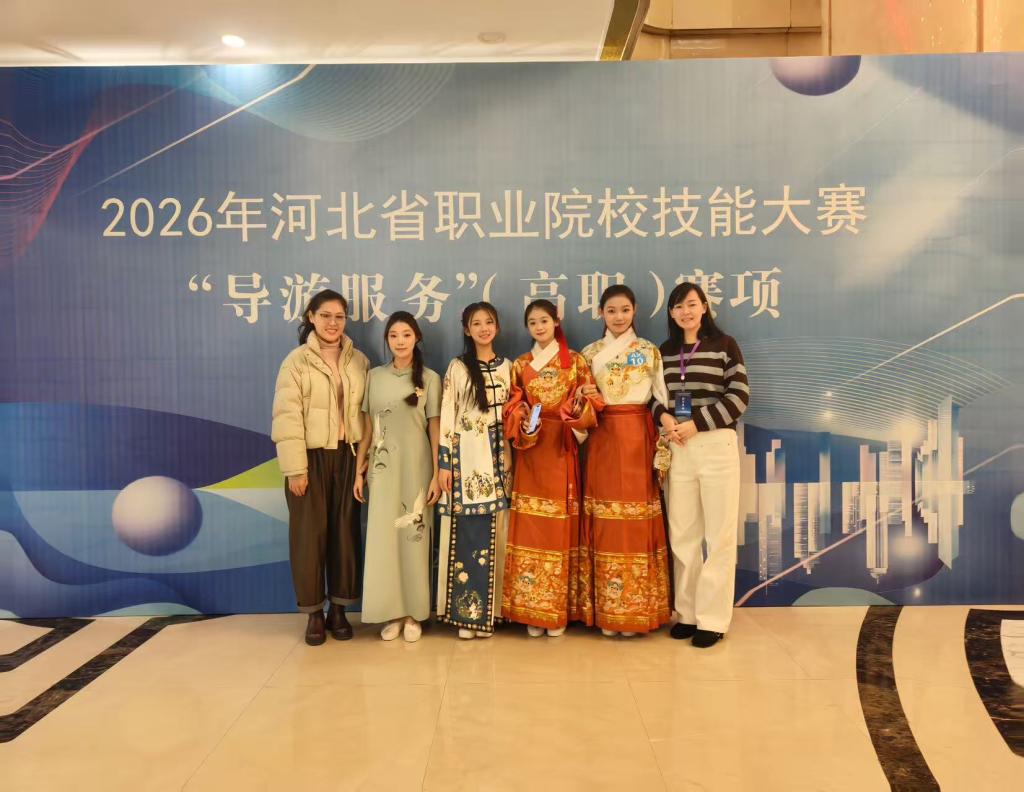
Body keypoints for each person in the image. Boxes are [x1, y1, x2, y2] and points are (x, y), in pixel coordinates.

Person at [271, 289, 369, 645]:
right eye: (325, 315)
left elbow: (367, 414)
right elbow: (286, 417)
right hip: (310, 459)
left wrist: (363, 462)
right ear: (311, 317)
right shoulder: (296, 362)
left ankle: (339, 610)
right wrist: (296, 469)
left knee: (345, 534)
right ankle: (314, 613)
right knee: (308, 537)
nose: (333, 323)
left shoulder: (359, 361)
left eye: (339, 316)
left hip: (347, 455)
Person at [654, 282, 749, 648]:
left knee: (719, 536)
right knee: (682, 534)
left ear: (705, 307)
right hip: (678, 446)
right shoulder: (664, 351)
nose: (686, 312)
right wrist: (664, 418)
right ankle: (688, 613)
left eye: (692, 304)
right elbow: (651, 397)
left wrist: (697, 423)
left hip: (714, 444)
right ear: (671, 313)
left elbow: (739, 396)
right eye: (678, 307)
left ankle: (713, 619)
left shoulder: (724, 345)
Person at [501, 299, 600, 637]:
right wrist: (522, 421)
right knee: (531, 526)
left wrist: (578, 403)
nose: (539, 327)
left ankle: (557, 611)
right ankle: (532, 610)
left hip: (561, 446)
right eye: (532, 322)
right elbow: (513, 403)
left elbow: (592, 399)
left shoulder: (575, 361)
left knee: (559, 528)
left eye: (544, 320)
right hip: (532, 448)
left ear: (556, 321)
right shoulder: (521, 364)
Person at [578, 285, 671, 637]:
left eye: (625, 310)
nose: (618, 317)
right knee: (605, 519)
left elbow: (660, 399)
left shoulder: (648, 351)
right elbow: (577, 403)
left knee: (636, 520)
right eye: (611, 310)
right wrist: (583, 396)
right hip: (602, 437)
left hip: (638, 438)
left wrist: (662, 447)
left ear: (635, 311)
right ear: (601, 313)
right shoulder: (589, 354)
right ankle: (608, 609)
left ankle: (636, 609)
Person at [354, 312, 442, 643]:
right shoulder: (374, 377)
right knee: (384, 542)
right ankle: (391, 612)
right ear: (387, 340)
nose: (400, 341)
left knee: (413, 540)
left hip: (417, 469)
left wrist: (437, 473)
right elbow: (367, 429)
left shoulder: (430, 379)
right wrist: (359, 470)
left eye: (406, 334)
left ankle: (414, 614)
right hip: (382, 471)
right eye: (394, 335)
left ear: (417, 337)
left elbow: (435, 429)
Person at [436, 302, 513, 639]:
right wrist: (444, 462)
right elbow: (447, 414)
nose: (483, 328)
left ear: (497, 327)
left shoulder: (508, 367)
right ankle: (466, 616)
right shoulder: (457, 367)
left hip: (501, 457)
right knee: (468, 533)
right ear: (467, 330)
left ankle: (492, 614)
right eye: (476, 323)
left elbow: (515, 411)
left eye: (489, 322)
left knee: (499, 532)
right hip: (466, 458)